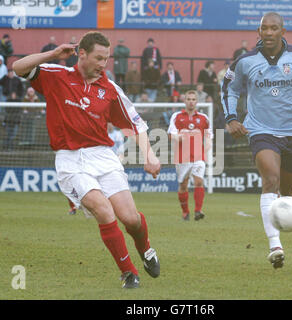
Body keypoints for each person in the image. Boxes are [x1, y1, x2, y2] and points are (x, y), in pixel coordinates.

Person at [13, 31, 161, 289]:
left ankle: (146, 249)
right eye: (99, 58)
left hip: (103, 156)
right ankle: (129, 273)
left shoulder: (110, 89)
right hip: (70, 160)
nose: (103, 64)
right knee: (103, 210)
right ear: (81, 54)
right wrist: (53, 54)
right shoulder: (55, 75)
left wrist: (149, 155)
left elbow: (133, 125)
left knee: (130, 219)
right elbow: (17, 67)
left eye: (107, 59)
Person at [221, 12, 292, 269]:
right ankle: (275, 245)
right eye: (264, 28)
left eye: (273, 28)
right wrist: (232, 117)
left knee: (286, 191)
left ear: (282, 31)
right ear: (259, 31)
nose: (268, 33)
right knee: (270, 180)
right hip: (261, 129)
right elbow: (230, 89)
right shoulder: (245, 61)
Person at [167, 90, 213, 221]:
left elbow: (209, 136)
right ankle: (185, 212)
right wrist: (178, 137)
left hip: (198, 156)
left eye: (193, 99)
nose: (191, 101)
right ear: (184, 101)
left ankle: (198, 211)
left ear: (197, 101)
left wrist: (207, 147)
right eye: (188, 99)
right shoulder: (177, 116)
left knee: (199, 181)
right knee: (183, 185)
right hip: (182, 157)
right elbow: (171, 134)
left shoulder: (204, 118)